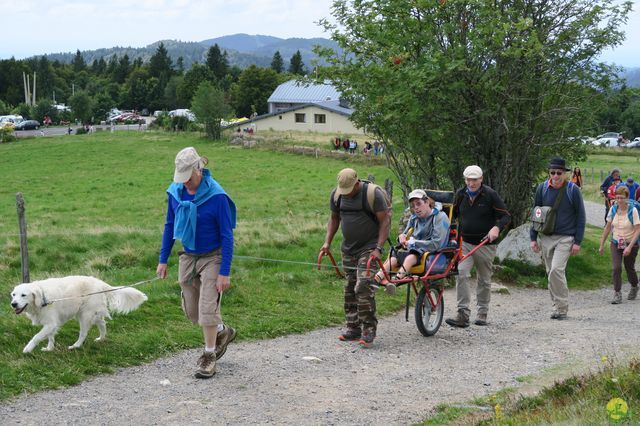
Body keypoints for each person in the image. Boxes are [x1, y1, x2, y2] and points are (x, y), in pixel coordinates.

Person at [156, 147, 237, 379]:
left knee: (207, 308)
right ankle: (222, 331)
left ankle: (209, 356)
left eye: (189, 178)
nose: (186, 184)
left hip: (213, 255)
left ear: (198, 170)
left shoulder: (216, 196)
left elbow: (227, 234)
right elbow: (169, 226)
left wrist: (225, 271)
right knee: (193, 312)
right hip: (189, 255)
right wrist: (163, 260)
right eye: (182, 179)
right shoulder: (175, 193)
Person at [320, 168, 391, 347]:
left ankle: (368, 329)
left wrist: (378, 248)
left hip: (369, 248)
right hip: (348, 249)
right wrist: (327, 242)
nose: (347, 194)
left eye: (349, 190)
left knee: (363, 286)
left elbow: (385, 220)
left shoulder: (372, 194)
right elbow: (334, 218)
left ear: (357, 183)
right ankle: (353, 327)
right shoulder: (337, 196)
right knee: (350, 287)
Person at [445, 165, 511, 328]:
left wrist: (496, 228)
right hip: (465, 243)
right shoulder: (461, 194)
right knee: (461, 273)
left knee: (484, 279)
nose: (471, 183)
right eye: (468, 179)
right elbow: (452, 215)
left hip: (485, 244)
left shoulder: (490, 195)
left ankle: (482, 312)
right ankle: (463, 314)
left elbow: (505, 216)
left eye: (474, 180)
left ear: (481, 179)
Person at [530, 157, 586, 320]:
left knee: (556, 270)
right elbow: (536, 213)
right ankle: (556, 306)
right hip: (546, 237)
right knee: (550, 274)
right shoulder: (542, 188)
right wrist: (533, 238)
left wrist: (577, 241)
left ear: (565, 173)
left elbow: (581, 216)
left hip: (566, 237)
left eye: (559, 173)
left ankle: (562, 308)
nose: (555, 176)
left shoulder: (572, 190)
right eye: (552, 172)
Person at [375, 189, 449, 288]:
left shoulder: (440, 217)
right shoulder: (414, 217)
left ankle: (396, 281)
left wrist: (413, 243)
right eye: (413, 206)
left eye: (419, 204)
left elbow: (437, 244)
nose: (416, 208)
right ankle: (376, 279)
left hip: (431, 252)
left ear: (427, 202)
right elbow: (405, 233)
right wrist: (402, 237)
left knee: (410, 257)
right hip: (414, 249)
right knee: (393, 258)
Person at [598, 185, 640, 304]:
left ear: (627, 198)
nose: (619, 200)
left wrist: (630, 247)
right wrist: (601, 245)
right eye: (617, 198)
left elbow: (638, 229)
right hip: (616, 242)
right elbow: (607, 227)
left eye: (622, 198)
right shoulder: (613, 209)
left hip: (630, 243)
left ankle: (634, 286)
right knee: (616, 268)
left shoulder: (633, 210)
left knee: (629, 267)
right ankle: (617, 293)